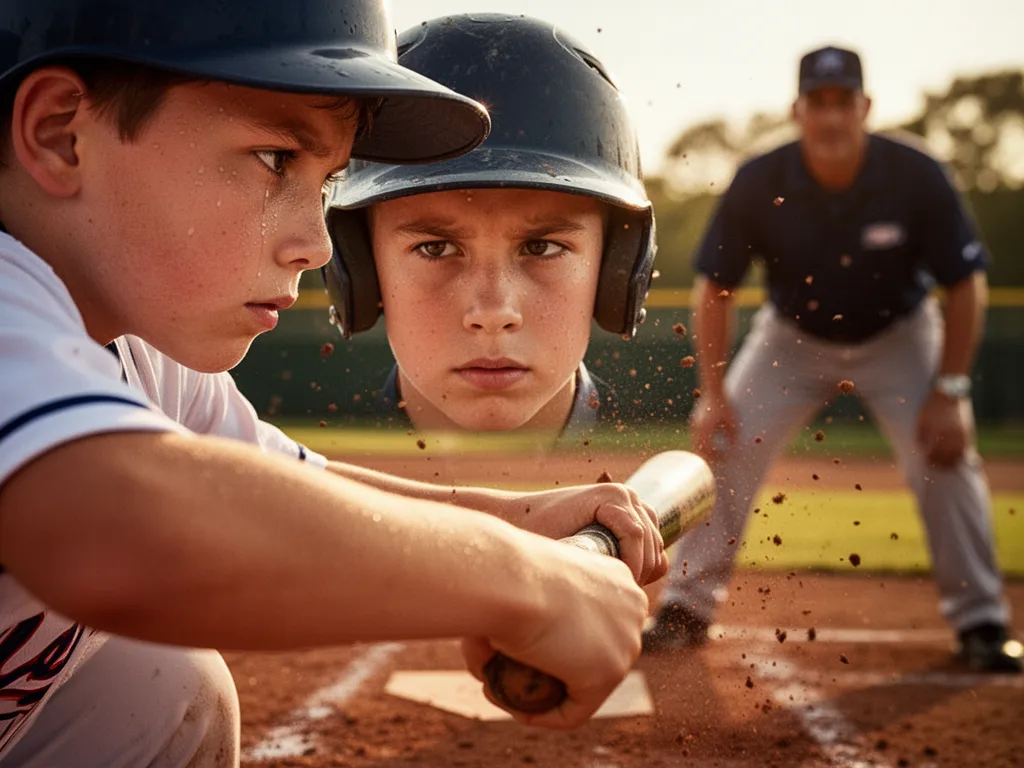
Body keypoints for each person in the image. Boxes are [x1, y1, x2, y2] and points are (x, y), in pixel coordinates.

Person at [0, 1, 671, 765]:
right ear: (59, 133)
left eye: (326, 182)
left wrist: (520, 520)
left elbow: (275, 490)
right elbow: (117, 520)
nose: (316, 245)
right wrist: (523, 582)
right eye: (277, 159)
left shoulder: (139, 345)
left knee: (152, 687)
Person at [644, 45, 1021, 673]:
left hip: (898, 333)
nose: (830, 116)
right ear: (797, 110)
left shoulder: (915, 174)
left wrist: (950, 390)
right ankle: (685, 606)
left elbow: (965, 283)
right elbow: (716, 287)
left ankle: (981, 620)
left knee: (947, 452)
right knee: (723, 442)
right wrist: (713, 394)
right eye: (817, 103)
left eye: (842, 101)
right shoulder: (762, 178)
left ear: (864, 106)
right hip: (792, 337)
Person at [322, 14, 655, 442]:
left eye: (541, 247)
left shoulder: (677, 456)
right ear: (358, 267)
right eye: (436, 248)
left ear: (617, 269)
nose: (494, 313)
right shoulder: (279, 462)